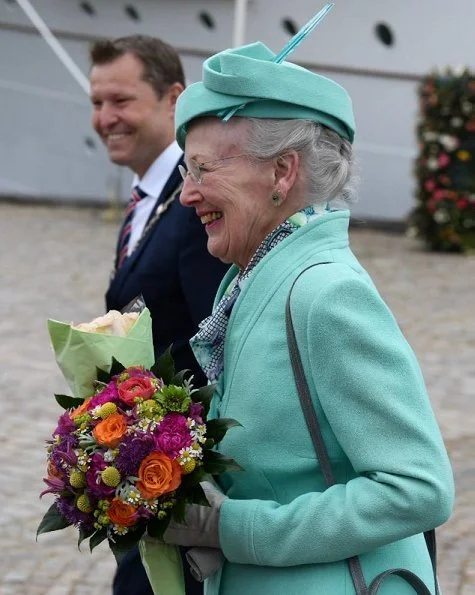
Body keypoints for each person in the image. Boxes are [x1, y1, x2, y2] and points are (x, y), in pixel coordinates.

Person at [155, 39, 455, 594]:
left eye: (202, 169)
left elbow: (418, 488)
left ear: (282, 172)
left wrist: (232, 527)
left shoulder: (326, 293)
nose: (188, 194)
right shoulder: (257, 278)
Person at [89, 35, 229, 595]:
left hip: (177, 483)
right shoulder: (149, 193)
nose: (105, 118)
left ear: (174, 99)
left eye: (121, 101)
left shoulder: (195, 199)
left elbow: (214, 341)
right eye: (97, 103)